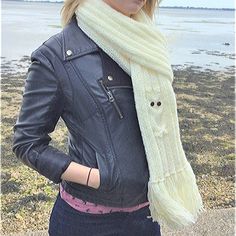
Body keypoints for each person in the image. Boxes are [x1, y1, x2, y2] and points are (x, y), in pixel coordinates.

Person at [12, 0, 167, 235]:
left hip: (147, 214)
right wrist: (98, 178)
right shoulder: (56, 55)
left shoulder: (146, 47)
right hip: (86, 222)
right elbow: (27, 143)